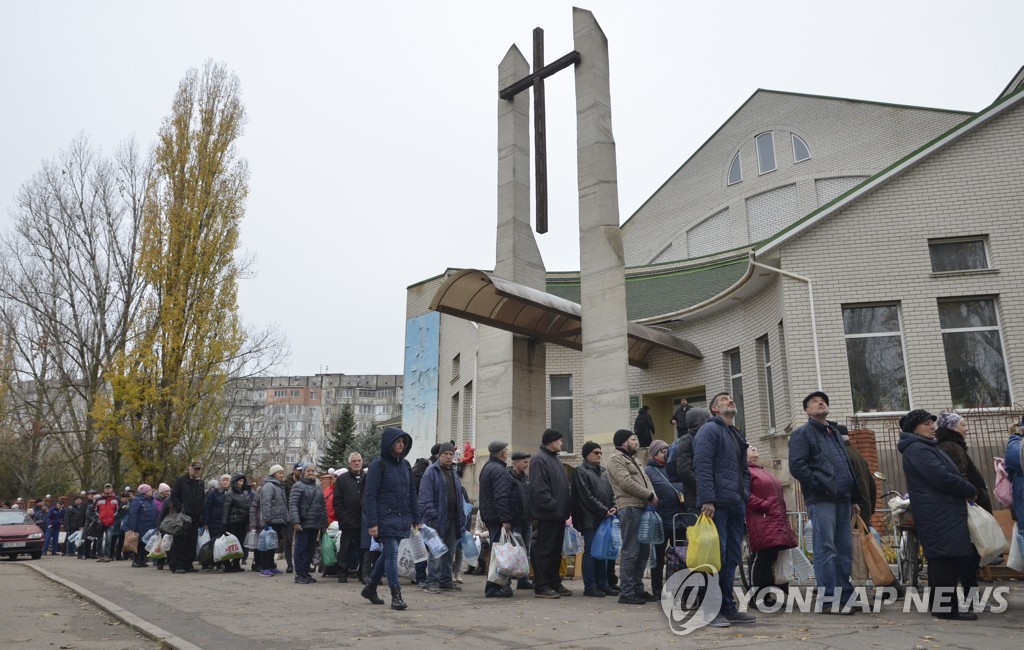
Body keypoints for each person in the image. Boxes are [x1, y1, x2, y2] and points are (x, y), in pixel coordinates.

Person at [898, 409, 979, 620]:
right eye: (926, 423)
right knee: (944, 558)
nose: (933, 427)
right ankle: (946, 609)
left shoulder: (925, 447)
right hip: (937, 511)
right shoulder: (918, 449)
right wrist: (969, 489)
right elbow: (941, 477)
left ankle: (942, 606)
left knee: (942, 559)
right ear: (914, 428)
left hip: (940, 510)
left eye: (932, 423)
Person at [788, 391, 862, 614]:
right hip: (822, 500)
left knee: (844, 549)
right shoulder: (803, 434)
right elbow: (797, 466)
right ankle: (829, 599)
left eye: (823, 401)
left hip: (843, 500)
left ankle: (845, 595)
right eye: (814, 402)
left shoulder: (834, 433)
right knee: (826, 549)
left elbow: (846, 467)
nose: (820, 403)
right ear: (807, 411)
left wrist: (854, 498)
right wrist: (821, 486)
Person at [695, 392, 756, 626]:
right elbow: (702, 464)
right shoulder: (709, 431)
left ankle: (728, 607)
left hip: (735, 504)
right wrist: (707, 499)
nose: (730, 400)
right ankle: (710, 610)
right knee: (715, 558)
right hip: (717, 505)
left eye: (731, 397)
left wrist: (744, 495)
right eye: (723, 399)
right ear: (714, 409)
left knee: (731, 557)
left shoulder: (735, 434)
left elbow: (744, 470)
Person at [361, 427, 420, 610]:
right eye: (397, 441)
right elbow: (370, 495)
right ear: (389, 443)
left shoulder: (405, 465)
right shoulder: (378, 465)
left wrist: (416, 517)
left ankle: (370, 587)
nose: (401, 445)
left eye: (403, 441)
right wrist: (372, 522)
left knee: (388, 553)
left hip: (402, 517)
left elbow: (412, 493)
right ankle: (396, 595)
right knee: (392, 553)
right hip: (384, 517)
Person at [608, 429, 656, 605]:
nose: (636, 442)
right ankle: (627, 592)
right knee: (631, 550)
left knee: (643, 551)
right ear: (623, 442)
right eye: (633, 439)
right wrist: (649, 495)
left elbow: (646, 481)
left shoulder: (633, 459)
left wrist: (651, 496)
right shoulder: (616, 459)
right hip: (629, 508)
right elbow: (626, 482)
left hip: (642, 507)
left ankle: (637, 588)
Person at [746, 445, 797, 606]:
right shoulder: (745, 472)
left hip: (774, 519)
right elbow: (744, 494)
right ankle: (757, 596)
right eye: (749, 448)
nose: (754, 448)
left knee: (771, 557)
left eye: (755, 447)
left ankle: (768, 594)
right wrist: (765, 505)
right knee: (763, 558)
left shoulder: (762, 471)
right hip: (762, 519)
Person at [418, 441, 467, 593]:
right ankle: (431, 581)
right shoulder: (431, 472)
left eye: (451, 454)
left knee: (449, 551)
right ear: (439, 456)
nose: (448, 457)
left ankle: (446, 580)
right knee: (435, 551)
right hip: (436, 520)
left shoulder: (453, 471)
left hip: (453, 519)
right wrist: (433, 516)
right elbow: (424, 498)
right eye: (445, 454)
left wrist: (462, 516)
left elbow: (459, 495)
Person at [528, 429, 572, 599]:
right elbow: (539, 489)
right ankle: (541, 585)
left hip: (558, 515)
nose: (562, 443)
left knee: (555, 552)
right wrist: (552, 505)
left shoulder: (554, 459)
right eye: (559, 440)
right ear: (551, 442)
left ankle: (554, 582)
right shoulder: (540, 459)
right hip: (547, 515)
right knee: (544, 551)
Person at [571, 441, 617, 598]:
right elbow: (586, 496)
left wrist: (613, 506)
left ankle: (603, 584)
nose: (599, 455)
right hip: (590, 519)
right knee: (591, 552)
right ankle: (590, 586)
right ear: (586, 455)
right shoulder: (580, 471)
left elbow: (611, 493)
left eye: (600, 453)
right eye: (595, 453)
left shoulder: (603, 472)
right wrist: (604, 510)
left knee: (603, 552)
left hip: (605, 518)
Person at [478, 440, 520, 598]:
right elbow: (501, 497)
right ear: (502, 453)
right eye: (506, 451)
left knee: (498, 553)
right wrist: (506, 520)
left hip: (492, 517)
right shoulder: (499, 470)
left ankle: (499, 585)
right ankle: (495, 587)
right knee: (500, 554)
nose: (507, 453)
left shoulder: (488, 467)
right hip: (498, 519)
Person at [645, 439, 686, 599]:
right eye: (663, 451)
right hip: (660, 520)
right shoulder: (649, 470)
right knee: (658, 555)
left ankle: (678, 587)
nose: (666, 454)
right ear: (655, 454)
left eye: (667, 450)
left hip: (679, 519)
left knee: (681, 555)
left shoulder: (673, 468)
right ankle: (656, 588)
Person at [936, 412, 992, 513]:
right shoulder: (951, 447)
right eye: (962, 425)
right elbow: (959, 477)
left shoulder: (952, 446)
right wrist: (975, 495)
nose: (966, 429)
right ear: (951, 428)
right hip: (970, 507)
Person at [289, 464, 328, 584]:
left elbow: (323, 506)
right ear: (303, 473)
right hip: (303, 524)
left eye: (313, 470)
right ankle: (299, 574)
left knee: (310, 550)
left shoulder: (317, 487)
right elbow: (293, 505)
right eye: (308, 471)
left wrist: (324, 522)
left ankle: (305, 572)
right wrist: (295, 521)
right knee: (300, 549)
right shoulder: (297, 486)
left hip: (315, 524)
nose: (311, 473)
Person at [333, 453, 366, 583]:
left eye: (359, 461)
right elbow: (337, 500)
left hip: (363, 520)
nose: (357, 463)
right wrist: (342, 515)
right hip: (347, 520)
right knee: (345, 547)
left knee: (363, 548)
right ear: (349, 463)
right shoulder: (343, 479)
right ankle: (342, 572)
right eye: (354, 461)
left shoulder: (366, 477)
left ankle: (362, 573)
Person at [169, 460, 206, 574]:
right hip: (183, 516)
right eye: (195, 468)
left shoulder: (200, 483)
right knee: (180, 541)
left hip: (195, 517)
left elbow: (202, 498)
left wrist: (201, 512)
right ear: (189, 468)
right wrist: (181, 508)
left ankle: (188, 563)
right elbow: (174, 496)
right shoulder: (180, 481)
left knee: (192, 541)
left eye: (198, 469)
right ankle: (177, 564)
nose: (196, 471)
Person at [508, 450, 534, 591]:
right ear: (516, 462)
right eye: (524, 462)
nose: (526, 465)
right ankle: (507, 580)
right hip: (515, 522)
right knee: (514, 551)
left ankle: (523, 579)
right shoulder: (509, 478)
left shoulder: (526, 478)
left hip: (527, 521)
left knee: (525, 551)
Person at [258, 464, 288, 576]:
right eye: (279, 473)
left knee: (272, 544)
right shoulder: (269, 486)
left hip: (278, 520)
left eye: (282, 473)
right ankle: (264, 567)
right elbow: (266, 503)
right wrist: (267, 519)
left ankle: (271, 565)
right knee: (266, 545)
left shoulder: (279, 486)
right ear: (273, 474)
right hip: (270, 520)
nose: (281, 475)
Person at [222, 473, 251, 573]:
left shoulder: (245, 493)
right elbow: (226, 509)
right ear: (235, 482)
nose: (241, 483)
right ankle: (227, 565)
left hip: (242, 522)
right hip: (232, 523)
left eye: (243, 481)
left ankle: (236, 563)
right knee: (230, 545)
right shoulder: (229, 494)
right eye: (240, 481)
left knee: (240, 544)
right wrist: (224, 523)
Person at [126, 484, 158, 568]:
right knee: (138, 543)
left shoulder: (151, 500)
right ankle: (136, 560)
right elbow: (133, 514)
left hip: (150, 526)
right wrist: (132, 527)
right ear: (145, 492)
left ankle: (142, 560)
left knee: (145, 543)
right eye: (150, 490)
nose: (151, 491)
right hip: (140, 526)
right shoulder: (137, 500)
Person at [282, 462, 303, 574]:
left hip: (302, 514)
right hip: (289, 514)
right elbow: (283, 498)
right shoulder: (286, 482)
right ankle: (290, 564)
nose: (300, 472)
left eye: (301, 470)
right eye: (299, 470)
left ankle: (303, 563)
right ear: (294, 470)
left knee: (302, 540)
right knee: (288, 540)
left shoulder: (304, 482)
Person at [94, 484, 119, 562]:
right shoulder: (99, 499)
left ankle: (106, 555)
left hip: (110, 522)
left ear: (111, 489)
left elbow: (119, 510)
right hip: (101, 522)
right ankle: (100, 555)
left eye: (109, 488)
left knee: (109, 539)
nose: (108, 490)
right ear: (104, 489)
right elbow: (94, 510)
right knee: (99, 539)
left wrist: (114, 517)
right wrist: (98, 518)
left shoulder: (116, 499)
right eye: (106, 488)